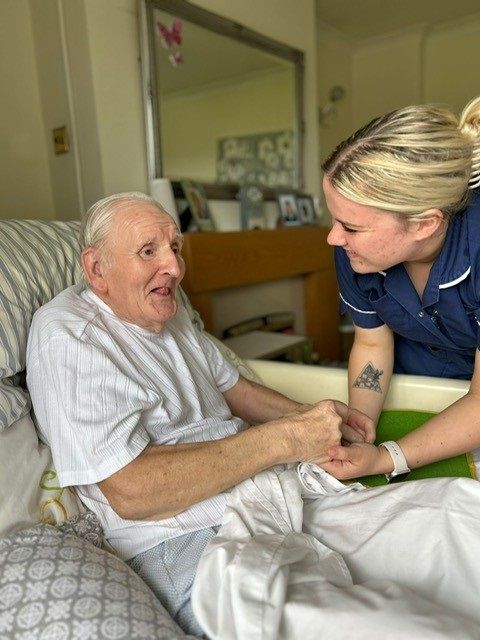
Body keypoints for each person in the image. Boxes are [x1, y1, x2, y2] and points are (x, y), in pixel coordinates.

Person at [26, 192, 372, 637]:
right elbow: (131, 491)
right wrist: (286, 438)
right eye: (148, 251)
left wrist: (320, 421)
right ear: (97, 269)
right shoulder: (69, 335)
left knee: (448, 519)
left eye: (174, 248)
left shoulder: (169, 313)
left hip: (267, 495)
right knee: (357, 625)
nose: (174, 267)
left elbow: (239, 391)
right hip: (189, 539)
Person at [319, 96, 480, 483]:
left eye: (352, 227)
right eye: (336, 220)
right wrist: (359, 430)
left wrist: (386, 459)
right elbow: (373, 345)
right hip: (418, 387)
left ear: (425, 224)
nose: (332, 237)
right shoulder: (357, 253)